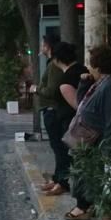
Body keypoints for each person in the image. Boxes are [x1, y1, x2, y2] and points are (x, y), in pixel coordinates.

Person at [65, 46, 111, 220]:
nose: (88, 68)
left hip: (99, 143)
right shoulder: (99, 84)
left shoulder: (110, 86)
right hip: (88, 141)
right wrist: (83, 84)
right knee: (89, 180)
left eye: (90, 65)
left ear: (98, 67)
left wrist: (110, 149)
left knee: (104, 186)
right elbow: (82, 104)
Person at [44, 42, 88, 197]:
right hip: (77, 123)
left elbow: (79, 106)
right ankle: (62, 181)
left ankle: (71, 189)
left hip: (72, 124)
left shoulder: (67, 79)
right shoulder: (82, 70)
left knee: (68, 155)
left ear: (57, 59)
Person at [35, 35, 69, 195]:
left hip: (53, 111)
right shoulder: (51, 64)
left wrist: (36, 89)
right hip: (51, 110)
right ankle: (57, 179)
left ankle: (62, 182)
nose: (41, 47)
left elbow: (52, 90)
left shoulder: (54, 66)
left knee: (59, 147)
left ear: (48, 46)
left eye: (43, 44)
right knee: (56, 147)